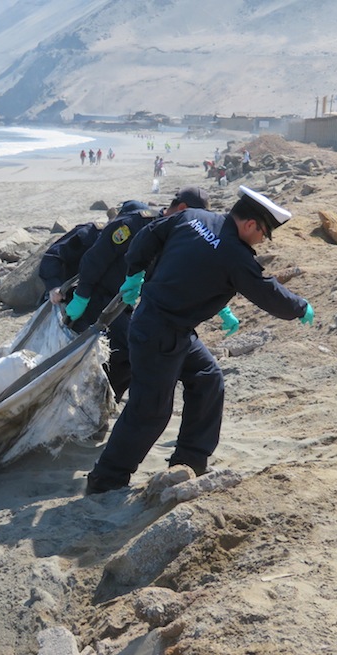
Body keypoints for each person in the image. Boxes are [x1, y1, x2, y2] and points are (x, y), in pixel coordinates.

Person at [85, 187, 315, 495]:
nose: (261, 241)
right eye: (264, 234)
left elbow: (148, 235)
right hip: (160, 332)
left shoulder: (193, 217)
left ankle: (190, 461)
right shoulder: (236, 254)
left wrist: (134, 270)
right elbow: (265, 291)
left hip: (166, 326)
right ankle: (106, 479)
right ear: (250, 225)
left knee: (207, 378)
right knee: (149, 410)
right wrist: (298, 307)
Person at [66, 188, 238, 402]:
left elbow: (187, 276)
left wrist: (223, 310)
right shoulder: (135, 224)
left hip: (123, 305)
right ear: (183, 208)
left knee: (129, 355)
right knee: (130, 350)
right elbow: (94, 260)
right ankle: (94, 402)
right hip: (98, 298)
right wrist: (81, 297)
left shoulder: (180, 234)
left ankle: (103, 403)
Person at [38, 221, 105, 305]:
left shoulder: (124, 245)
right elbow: (53, 256)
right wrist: (54, 286)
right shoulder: (90, 234)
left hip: (103, 297)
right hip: (66, 295)